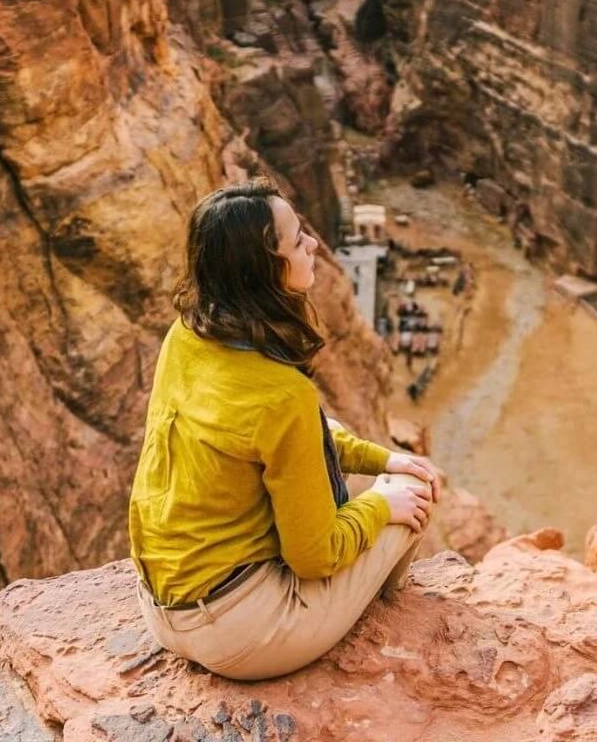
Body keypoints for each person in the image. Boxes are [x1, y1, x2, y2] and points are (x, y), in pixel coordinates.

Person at [128, 179, 440, 681]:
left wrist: (380, 458)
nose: (313, 245)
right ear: (264, 270)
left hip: (164, 610)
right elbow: (314, 556)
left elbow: (288, 436)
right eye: (298, 241)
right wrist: (383, 501)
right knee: (413, 491)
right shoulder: (282, 395)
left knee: (330, 432)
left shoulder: (185, 337)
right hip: (245, 635)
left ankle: (353, 593)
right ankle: (383, 606)